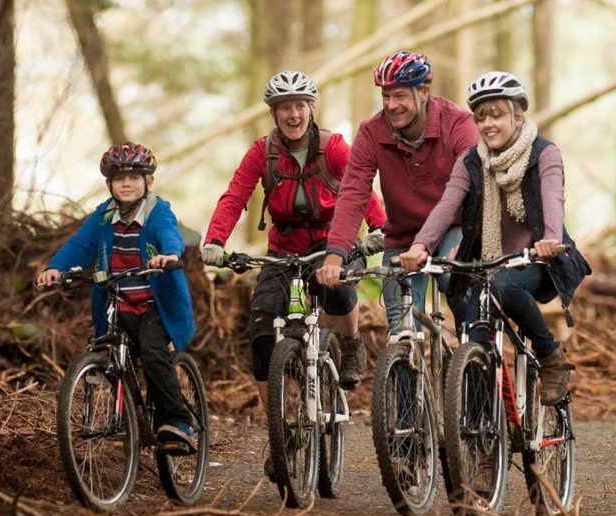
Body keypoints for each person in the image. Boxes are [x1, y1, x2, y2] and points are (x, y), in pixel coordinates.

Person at [398, 71, 590, 405]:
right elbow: (447, 206)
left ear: (518, 116)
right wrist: (420, 245)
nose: (488, 124)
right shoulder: (470, 161)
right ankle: (479, 444)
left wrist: (550, 238)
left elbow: (552, 199)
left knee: (503, 286)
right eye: (481, 117)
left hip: (537, 261)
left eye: (497, 115)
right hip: (487, 263)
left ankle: (550, 358)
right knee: (472, 342)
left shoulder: (544, 154)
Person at [202, 71, 387, 391]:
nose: (293, 114)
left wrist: (379, 227)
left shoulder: (334, 147)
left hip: (333, 243)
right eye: (285, 107)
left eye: (300, 106)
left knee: (336, 284)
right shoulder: (263, 152)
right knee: (260, 333)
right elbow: (234, 196)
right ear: (274, 113)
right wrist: (215, 241)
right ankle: (276, 432)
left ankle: (350, 342)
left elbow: (360, 189)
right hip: (284, 249)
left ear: (311, 108)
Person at [36, 142, 198, 452]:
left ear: (148, 182)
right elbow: (80, 244)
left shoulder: (157, 212)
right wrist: (56, 268)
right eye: (119, 178)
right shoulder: (103, 216)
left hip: (155, 304)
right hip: (117, 302)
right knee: (110, 353)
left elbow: (170, 234)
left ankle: (178, 422)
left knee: (152, 353)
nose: (126, 184)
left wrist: (168, 255)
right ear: (109, 183)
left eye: (135, 178)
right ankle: (130, 420)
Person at [315, 51, 480, 340]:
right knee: (400, 329)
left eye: (400, 96)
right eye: (386, 96)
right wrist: (335, 254)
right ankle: (404, 378)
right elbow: (353, 194)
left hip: (454, 227)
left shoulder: (458, 123)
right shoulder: (372, 132)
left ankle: (478, 349)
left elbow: (476, 185)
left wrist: (470, 242)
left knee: (456, 283)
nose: (392, 105)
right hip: (403, 236)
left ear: (424, 92)